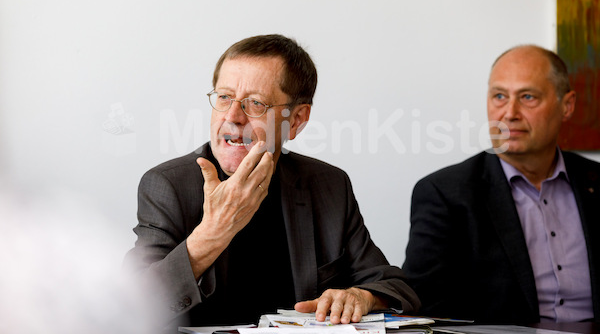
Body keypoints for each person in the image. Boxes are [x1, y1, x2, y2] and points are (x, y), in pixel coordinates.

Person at [125, 34, 419, 330]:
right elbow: (133, 303)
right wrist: (213, 232)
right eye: (224, 96)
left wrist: (361, 296)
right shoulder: (167, 185)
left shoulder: (328, 185)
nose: (233, 116)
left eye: (255, 103)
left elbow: (394, 285)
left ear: (296, 120)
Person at [402, 45, 600, 324]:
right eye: (499, 96)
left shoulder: (594, 182)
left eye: (528, 97)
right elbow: (426, 306)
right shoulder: (445, 193)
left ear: (566, 105)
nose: (510, 113)